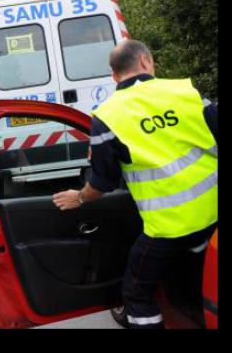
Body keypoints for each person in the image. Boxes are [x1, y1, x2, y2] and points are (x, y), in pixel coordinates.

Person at [53, 40, 218, 329]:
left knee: (135, 293)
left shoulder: (106, 117)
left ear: (114, 75)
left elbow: (101, 183)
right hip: (214, 215)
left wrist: (78, 197)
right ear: (145, 61)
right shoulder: (184, 91)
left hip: (169, 227)